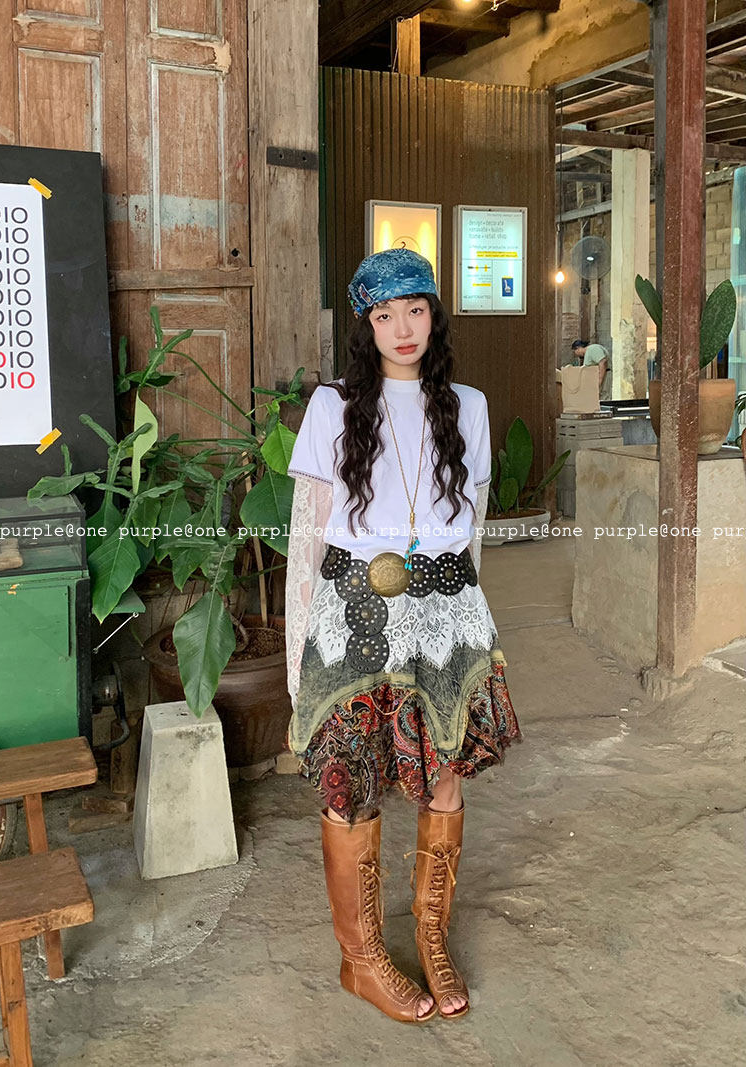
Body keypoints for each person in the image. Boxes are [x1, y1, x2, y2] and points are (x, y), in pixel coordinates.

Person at [285, 248, 522, 1025]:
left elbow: (473, 531)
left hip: (447, 608)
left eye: (415, 309)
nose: (402, 328)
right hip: (353, 608)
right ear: (367, 325)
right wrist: (297, 656)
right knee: (350, 777)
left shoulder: (469, 406)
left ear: (434, 314)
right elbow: (306, 537)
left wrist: (471, 616)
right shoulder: (332, 408)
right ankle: (360, 958)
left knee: (442, 772)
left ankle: (430, 935)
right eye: (385, 315)